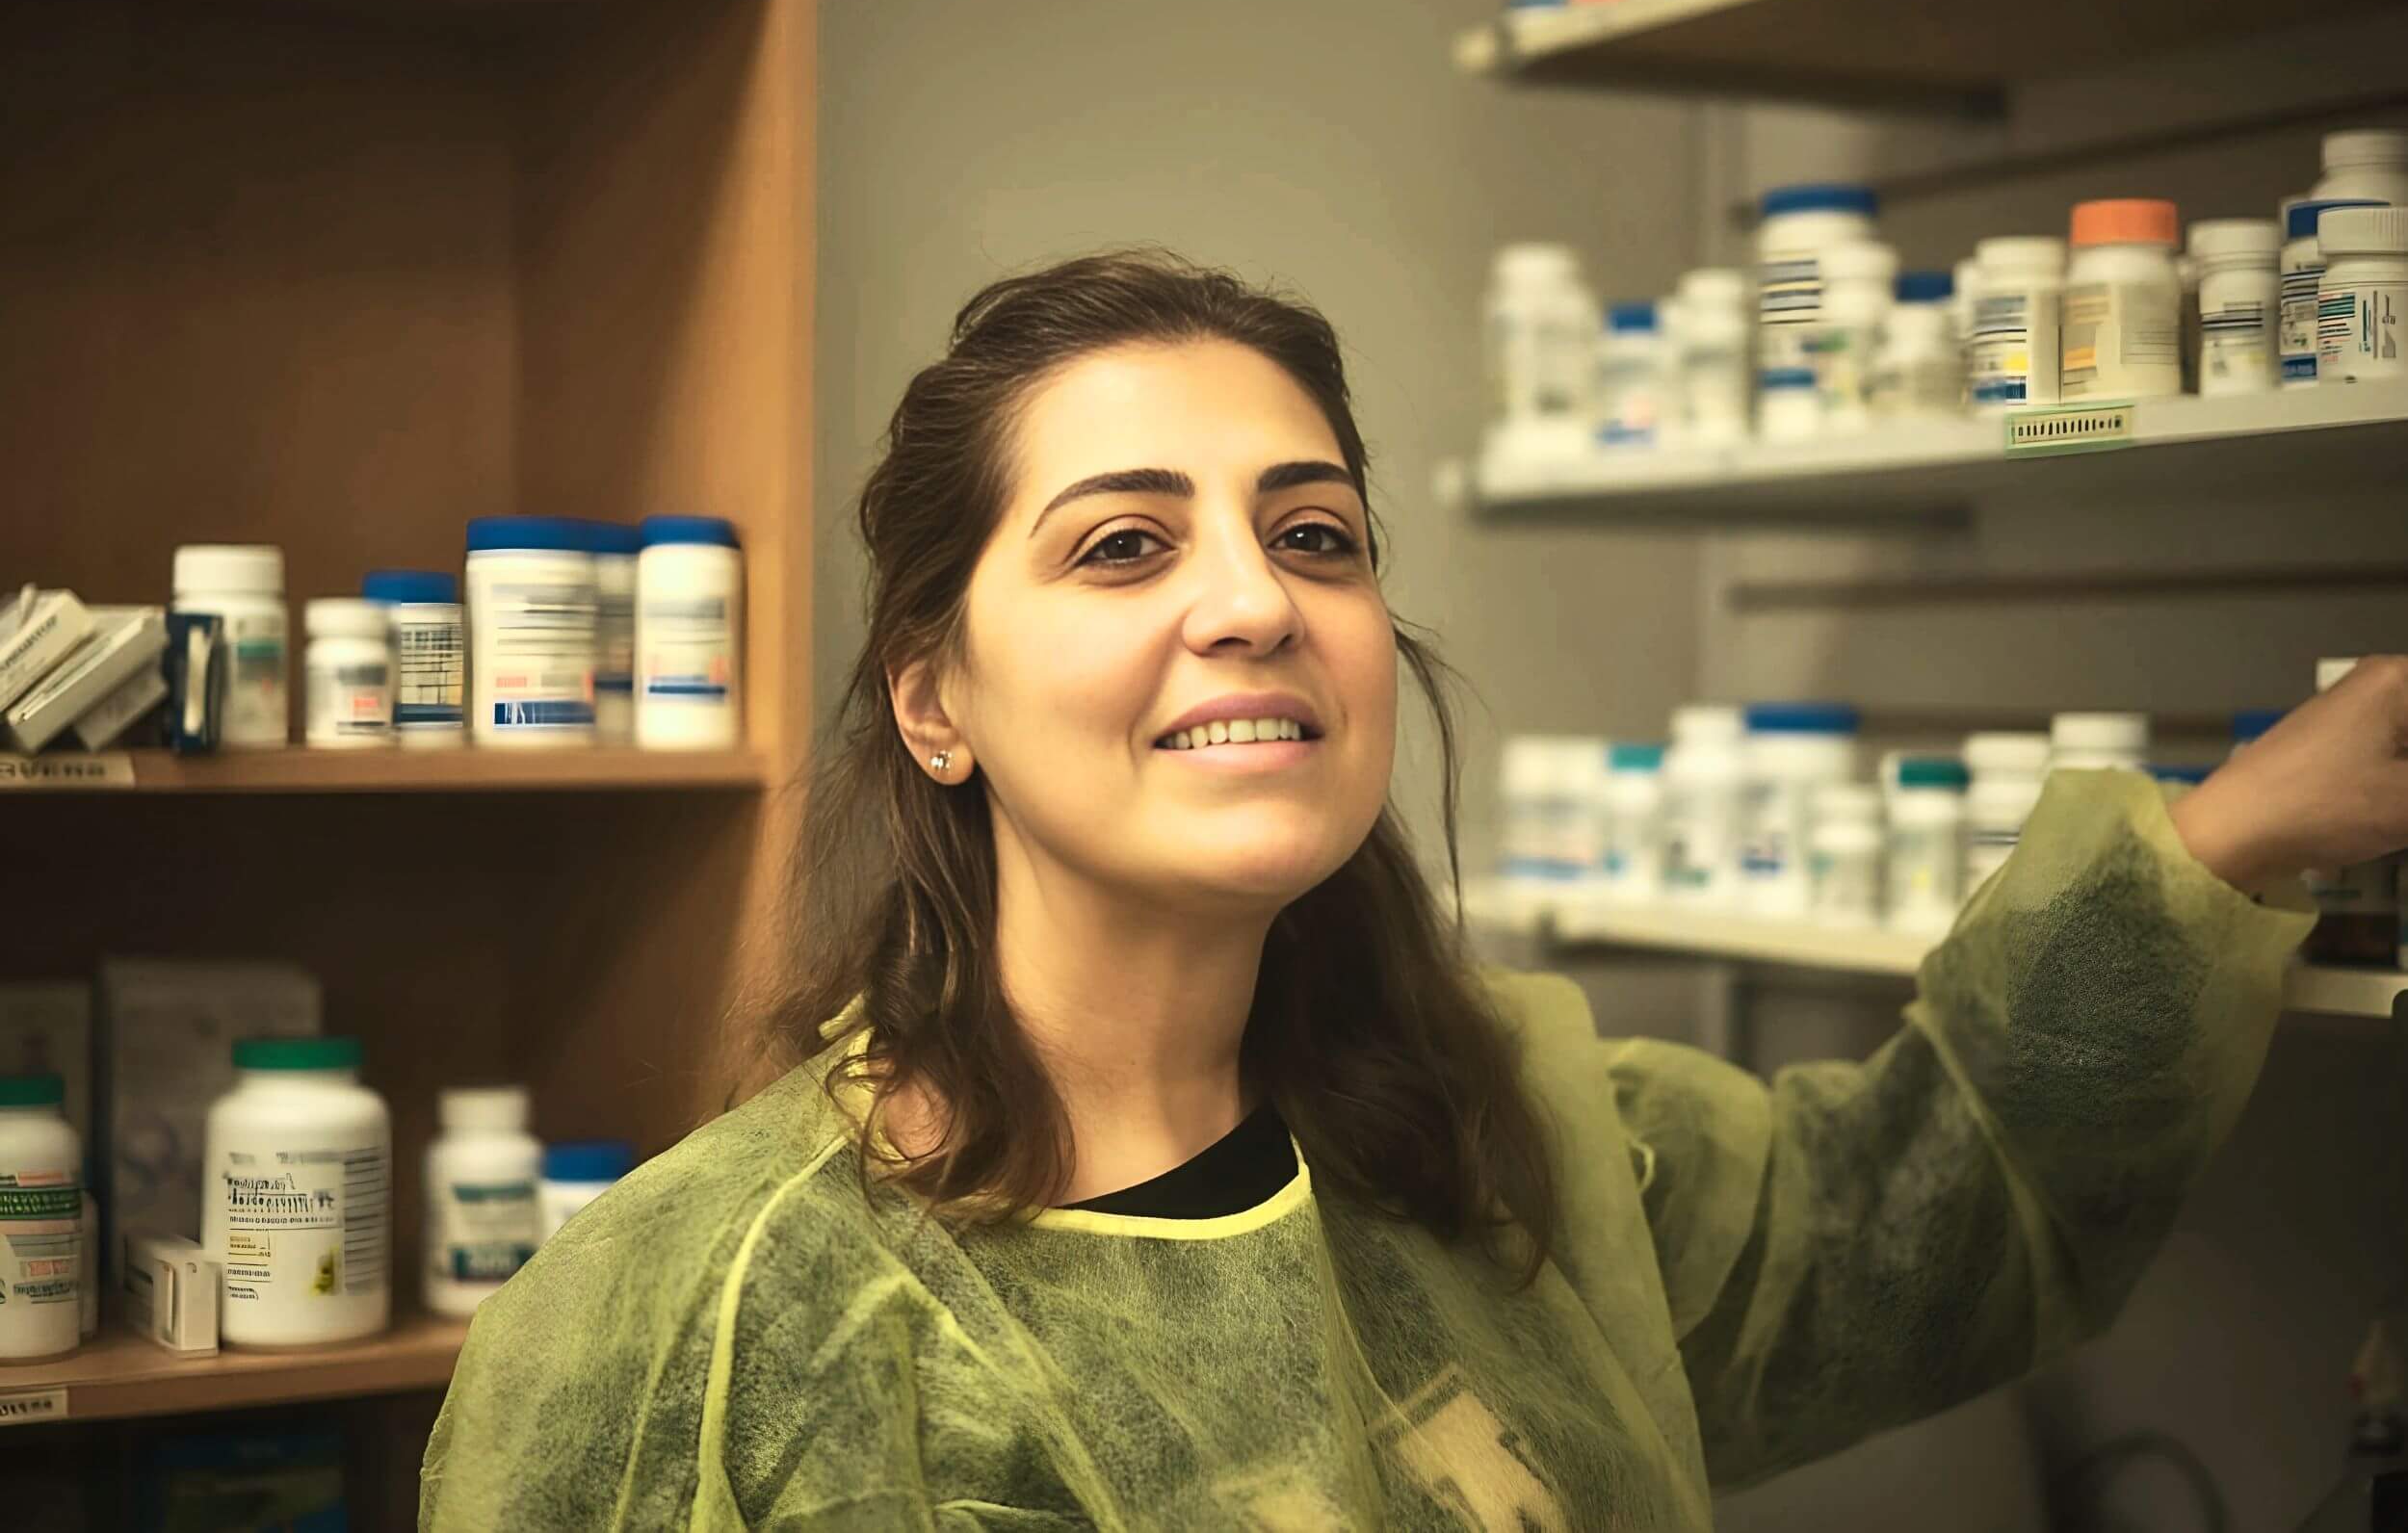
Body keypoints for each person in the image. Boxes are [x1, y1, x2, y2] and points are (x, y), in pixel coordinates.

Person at [422, 251, 2405, 1529]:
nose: (1252, 601)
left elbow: (1894, 1233)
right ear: (934, 700)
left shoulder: (1501, 1147)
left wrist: (2228, 834)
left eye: (1314, 533)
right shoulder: (693, 1331)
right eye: (1122, 548)